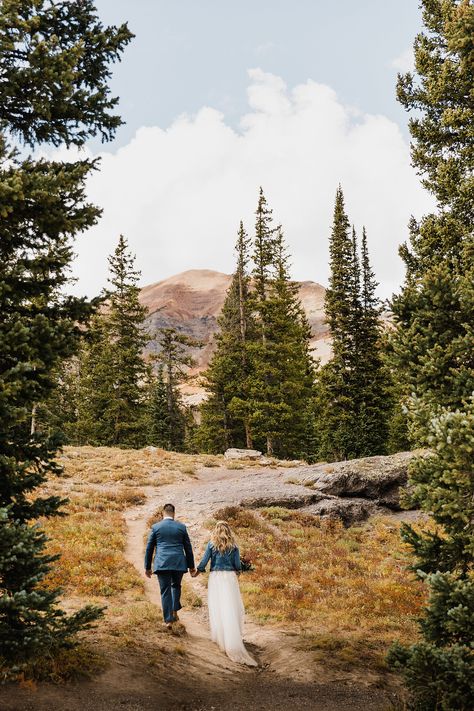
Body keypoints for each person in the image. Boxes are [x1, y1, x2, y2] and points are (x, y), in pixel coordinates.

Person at [193, 521, 257, 666]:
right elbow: (237, 565)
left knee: (218, 605)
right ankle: (233, 636)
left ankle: (221, 636)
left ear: (216, 531)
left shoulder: (212, 544)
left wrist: (198, 571)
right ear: (228, 531)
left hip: (216, 577)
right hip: (229, 577)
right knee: (231, 605)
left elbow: (204, 561)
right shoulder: (233, 546)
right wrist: (239, 571)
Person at [144, 503, 196, 629]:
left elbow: (149, 548)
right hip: (178, 562)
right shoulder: (181, 527)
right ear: (174, 513)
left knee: (165, 590)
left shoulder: (156, 527)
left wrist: (147, 567)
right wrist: (191, 567)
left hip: (162, 563)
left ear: (163, 513)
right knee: (176, 586)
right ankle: (174, 611)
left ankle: (168, 620)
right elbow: (188, 548)